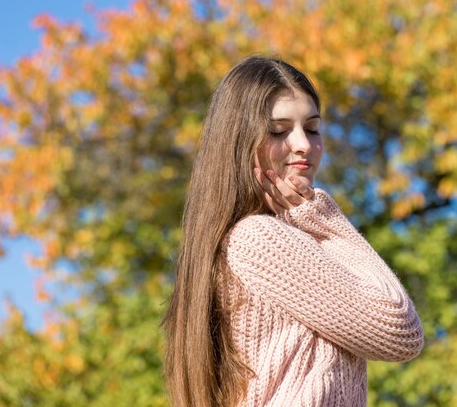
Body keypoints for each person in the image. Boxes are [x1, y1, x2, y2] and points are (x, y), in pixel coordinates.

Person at [161, 56, 424, 407]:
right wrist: (325, 220)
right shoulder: (260, 239)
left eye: (312, 128)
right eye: (278, 130)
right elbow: (400, 332)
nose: (303, 144)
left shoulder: (250, 241)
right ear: (238, 143)